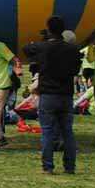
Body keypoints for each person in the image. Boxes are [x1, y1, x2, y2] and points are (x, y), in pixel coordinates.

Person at [23, 16, 82, 174]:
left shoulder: (43, 47)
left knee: (47, 132)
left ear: (49, 29)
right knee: (67, 132)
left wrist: (41, 41)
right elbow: (76, 69)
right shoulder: (72, 49)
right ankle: (70, 167)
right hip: (66, 95)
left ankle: (48, 166)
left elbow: (26, 49)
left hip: (48, 95)